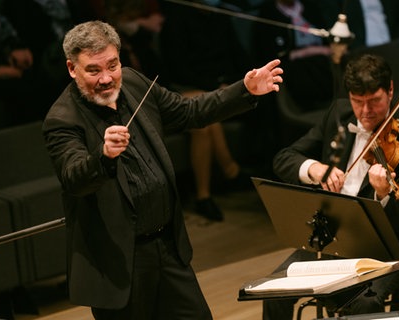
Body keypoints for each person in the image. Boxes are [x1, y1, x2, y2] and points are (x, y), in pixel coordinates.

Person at [42, 20, 282, 319]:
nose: (106, 78)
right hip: (121, 265)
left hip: (168, 249)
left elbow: (188, 112)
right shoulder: (62, 119)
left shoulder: (132, 82)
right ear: (71, 68)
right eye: (93, 70)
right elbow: (74, 178)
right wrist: (103, 156)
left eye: (112, 65)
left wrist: (245, 90)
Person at [264, 53, 399, 319]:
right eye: (358, 102)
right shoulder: (338, 115)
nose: (366, 112)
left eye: (374, 101)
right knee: (274, 291)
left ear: (390, 91)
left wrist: (385, 194)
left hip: (384, 251)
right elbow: (283, 158)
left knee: (363, 306)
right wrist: (314, 168)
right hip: (333, 241)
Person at [160, 0, 253, 221]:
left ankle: (220, 181)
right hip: (180, 89)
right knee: (203, 121)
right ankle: (216, 183)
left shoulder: (220, 15)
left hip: (215, 87)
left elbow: (238, 56)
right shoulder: (176, 20)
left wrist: (234, 84)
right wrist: (214, 87)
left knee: (208, 114)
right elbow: (176, 69)